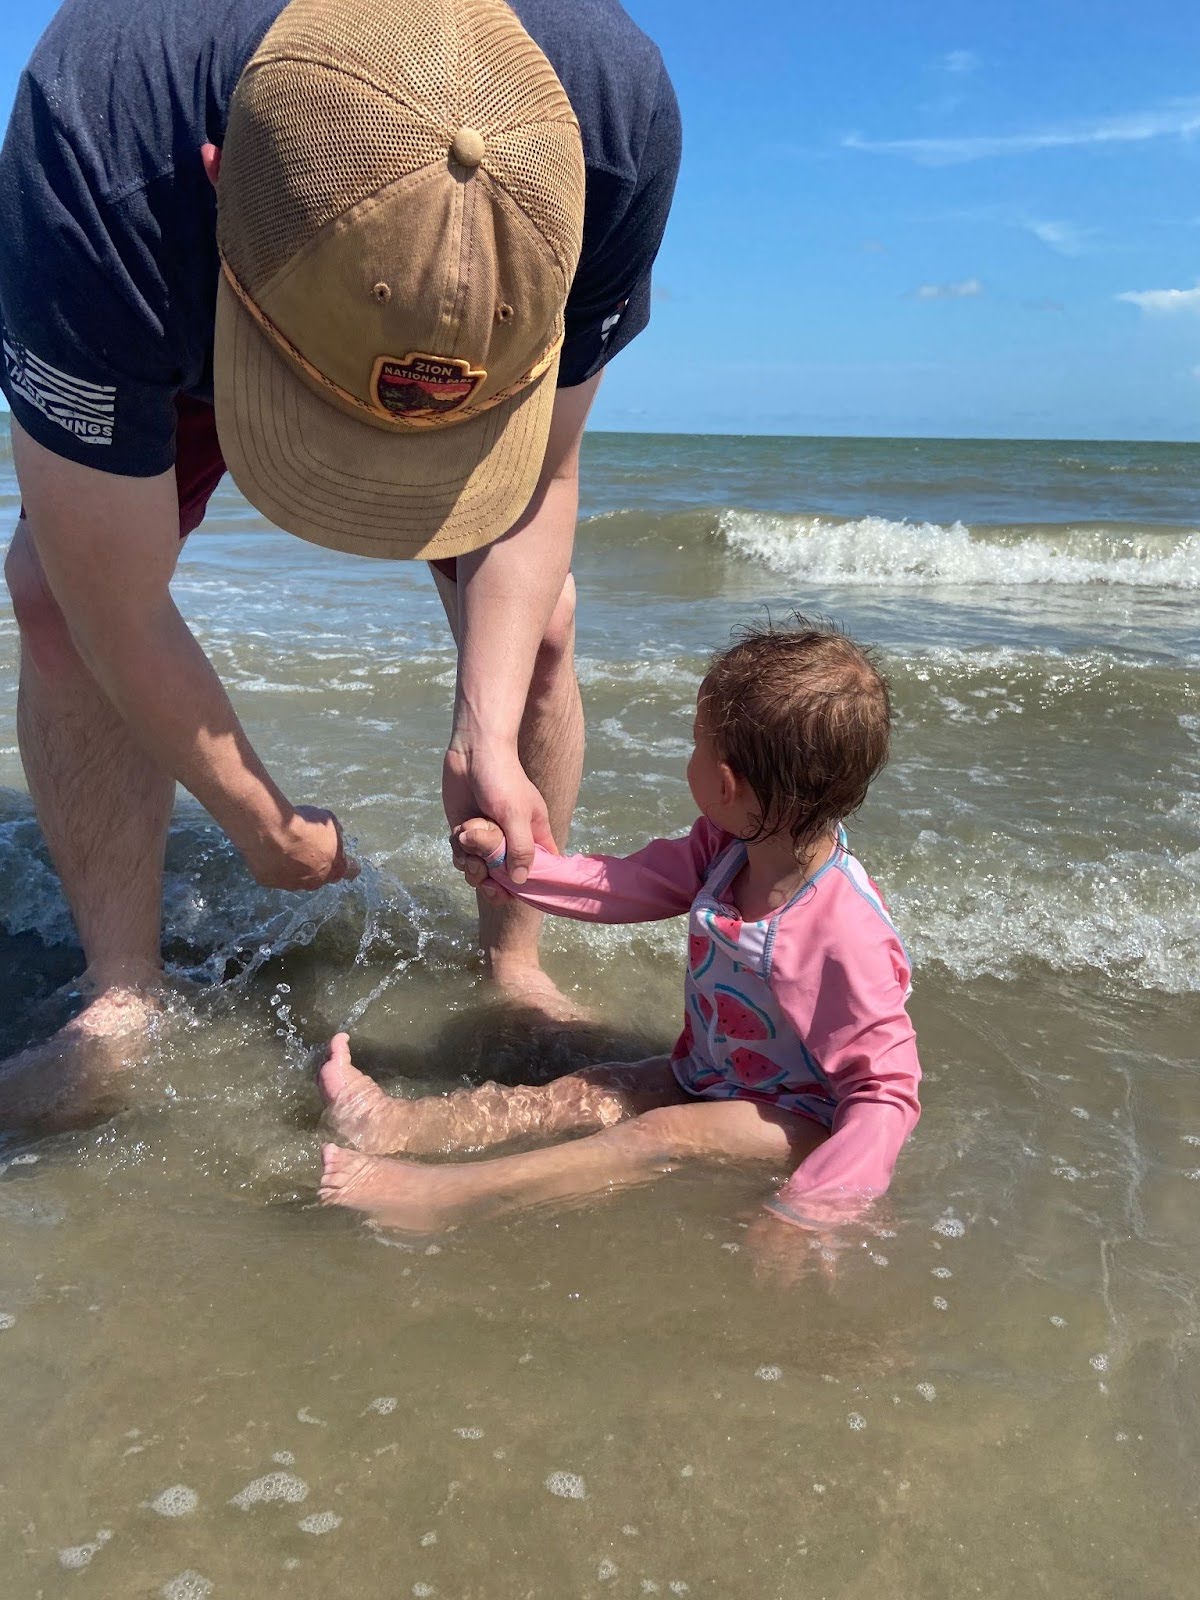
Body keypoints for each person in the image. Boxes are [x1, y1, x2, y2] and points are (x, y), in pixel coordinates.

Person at [0, 0, 681, 1121]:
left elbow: (543, 481)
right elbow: (101, 592)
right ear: (220, 176)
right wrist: (253, 815)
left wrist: (487, 725)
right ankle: (122, 992)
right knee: (49, 604)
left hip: (472, 341)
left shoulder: (610, 125)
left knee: (538, 624)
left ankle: (514, 967)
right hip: (185, 320)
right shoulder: (99, 148)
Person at [316, 619, 922, 1235]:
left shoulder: (842, 932)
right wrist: (517, 866)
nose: (690, 758)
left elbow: (885, 1095)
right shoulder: (729, 849)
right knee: (587, 1089)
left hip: (803, 1120)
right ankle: (395, 1124)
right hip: (715, 1075)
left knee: (654, 1134)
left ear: (726, 783)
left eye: (696, 745)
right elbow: (626, 885)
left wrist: (814, 1204)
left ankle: (445, 1197)